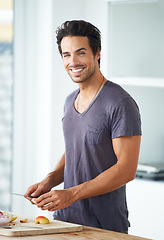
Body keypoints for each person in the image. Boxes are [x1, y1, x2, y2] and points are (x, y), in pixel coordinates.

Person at [25, 20, 142, 233]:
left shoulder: (120, 103)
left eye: (80, 53)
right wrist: (49, 181)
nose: (73, 62)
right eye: (66, 55)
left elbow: (127, 170)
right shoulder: (70, 100)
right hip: (64, 222)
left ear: (97, 53)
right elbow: (77, 150)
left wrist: (71, 194)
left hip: (103, 228)